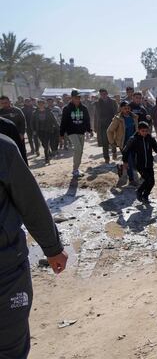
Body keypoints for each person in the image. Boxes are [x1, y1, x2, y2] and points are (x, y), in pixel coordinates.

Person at [0, 134, 68, 358]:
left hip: (5, 269)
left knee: (9, 348)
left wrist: (52, 247)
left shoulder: (3, 148)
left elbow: (29, 202)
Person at [122, 122, 157, 203]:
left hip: (149, 164)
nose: (145, 133)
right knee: (148, 180)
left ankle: (145, 196)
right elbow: (126, 151)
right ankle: (139, 191)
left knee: (152, 182)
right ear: (139, 131)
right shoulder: (133, 139)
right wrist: (125, 162)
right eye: (143, 131)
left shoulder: (150, 138)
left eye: (146, 131)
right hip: (139, 164)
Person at [59, 89, 93, 178]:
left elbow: (87, 120)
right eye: (75, 97)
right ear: (72, 98)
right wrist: (61, 134)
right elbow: (63, 121)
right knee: (78, 148)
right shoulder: (66, 108)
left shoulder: (84, 108)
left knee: (80, 151)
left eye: (78, 97)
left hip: (81, 131)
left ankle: (76, 168)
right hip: (71, 132)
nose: (77, 98)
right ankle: (75, 170)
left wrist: (89, 130)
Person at [107, 102, 139, 186]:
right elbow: (109, 131)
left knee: (132, 159)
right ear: (121, 109)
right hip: (123, 144)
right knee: (129, 161)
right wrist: (112, 142)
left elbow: (137, 129)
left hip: (133, 143)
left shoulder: (134, 117)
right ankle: (131, 180)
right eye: (125, 108)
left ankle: (121, 166)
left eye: (128, 108)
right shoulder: (117, 119)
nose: (127, 110)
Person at [31, 99, 59, 164]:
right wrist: (34, 130)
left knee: (46, 144)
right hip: (39, 131)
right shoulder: (35, 113)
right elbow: (32, 123)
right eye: (39, 104)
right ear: (37, 105)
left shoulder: (49, 112)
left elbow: (54, 120)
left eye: (42, 104)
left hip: (48, 130)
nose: (41, 105)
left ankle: (47, 158)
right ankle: (48, 152)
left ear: (44, 104)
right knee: (44, 144)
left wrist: (58, 128)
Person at [95, 88, 118, 163]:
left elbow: (117, 113)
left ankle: (114, 152)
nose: (103, 96)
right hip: (102, 126)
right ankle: (106, 158)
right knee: (105, 143)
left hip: (112, 125)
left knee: (113, 141)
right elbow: (96, 115)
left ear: (107, 94)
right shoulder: (98, 103)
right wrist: (95, 126)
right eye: (101, 94)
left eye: (104, 94)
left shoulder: (113, 102)